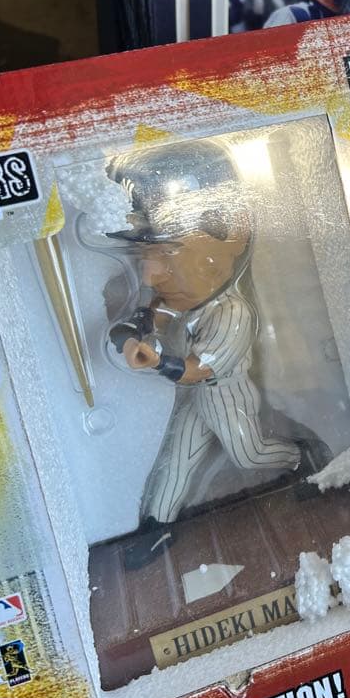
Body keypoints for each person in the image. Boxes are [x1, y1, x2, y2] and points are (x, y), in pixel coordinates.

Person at [106, 139, 311, 569]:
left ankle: (301, 457)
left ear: (233, 239)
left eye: (169, 251)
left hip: (226, 396)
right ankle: (157, 526)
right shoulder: (181, 300)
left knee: (248, 454)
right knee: (176, 461)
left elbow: (200, 369)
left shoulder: (233, 312)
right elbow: (148, 318)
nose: (150, 274)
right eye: (146, 255)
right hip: (198, 399)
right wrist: (130, 337)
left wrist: (158, 361)